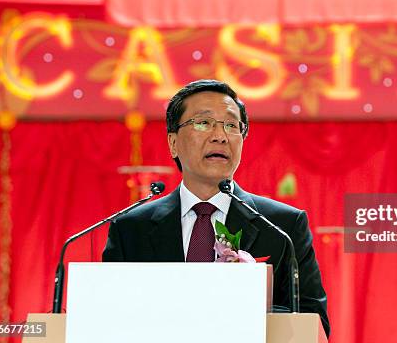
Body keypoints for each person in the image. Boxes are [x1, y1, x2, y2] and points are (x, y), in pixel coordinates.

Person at [102, 79, 330, 337]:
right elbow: (110, 317)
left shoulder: (282, 226)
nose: (220, 136)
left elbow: (314, 322)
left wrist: (240, 307)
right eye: (203, 123)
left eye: (232, 125)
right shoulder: (131, 229)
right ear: (173, 143)